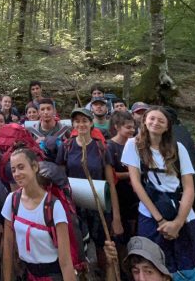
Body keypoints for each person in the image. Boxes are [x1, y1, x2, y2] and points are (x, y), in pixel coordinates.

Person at [121, 106, 195, 273]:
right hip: (150, 212)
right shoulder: (133, 145)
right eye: (151, 118)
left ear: (167, 126)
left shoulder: (178, 148)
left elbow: (189, 187)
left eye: (161, 120)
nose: (155, 123)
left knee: (188, 267)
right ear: (145, 121)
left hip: (181, 211)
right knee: (153, 265)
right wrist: (160, 220)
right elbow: (137, 184)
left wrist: (178, 223)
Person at [57, 107, 123, 271]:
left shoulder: (101, 148)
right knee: (78, 247)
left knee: (103, 246)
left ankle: (106, 273)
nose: (81, 124)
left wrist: (116, 217)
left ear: (91, 123)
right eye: (77, 121)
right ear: (73, 124)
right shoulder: (66, 147)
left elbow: (111, 184)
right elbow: (60, 181)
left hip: (98, 205)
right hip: (74, 207)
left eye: (84, 121)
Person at [1, 147, 75, 281]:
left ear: (35, 167)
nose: (17, 173)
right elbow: (8, 245)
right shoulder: (12, 200)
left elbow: (65, 262)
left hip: (51, 276)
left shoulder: (54, 206)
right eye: (13, 170)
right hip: (27, 273)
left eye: (21, 167)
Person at [107, 111, 138, 241]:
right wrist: (132, 174)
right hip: (118, 195)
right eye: (128, 127)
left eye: (133, 127)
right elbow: (111, 175)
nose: (132, 130)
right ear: (117, 127)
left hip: (134, 195)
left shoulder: (135, 144)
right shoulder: (109, 147)